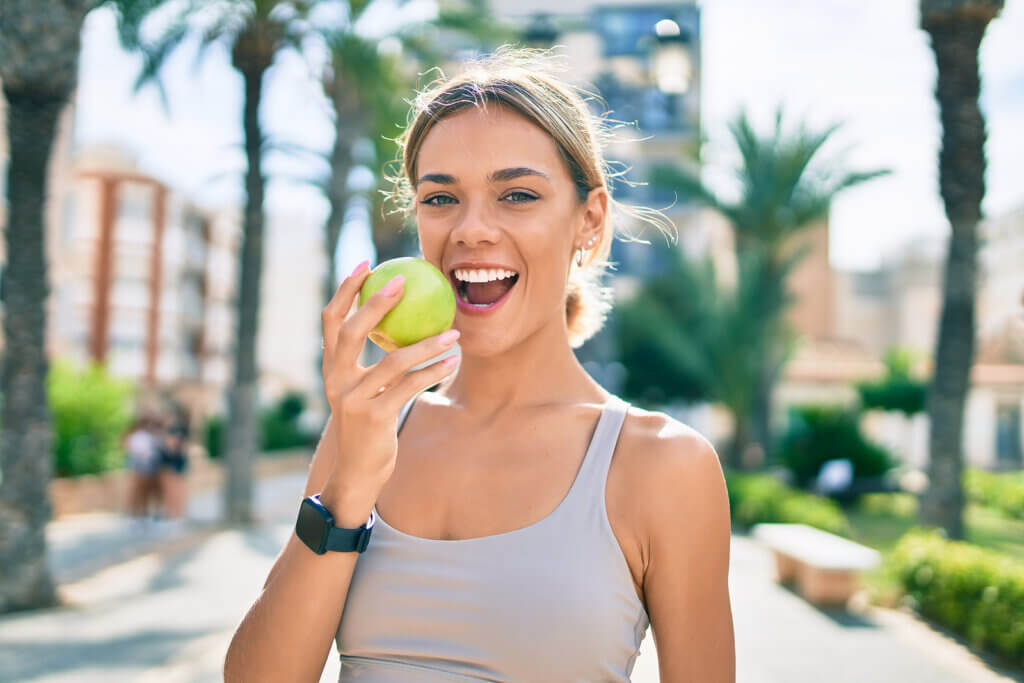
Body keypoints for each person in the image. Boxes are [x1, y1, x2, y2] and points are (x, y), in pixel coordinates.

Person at [225, 48, 735, 682]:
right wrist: (349, 486)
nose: (471, 229)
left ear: (589, 221)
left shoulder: (663, 464)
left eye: (517, 195)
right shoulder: (367, 428)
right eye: (441, 198)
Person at [124, 416, 160, 524]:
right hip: (141, 466)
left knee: (145, 491)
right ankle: (136, 514)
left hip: (147, 466)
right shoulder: (139, 436)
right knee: (138, 491)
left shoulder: (148, 436)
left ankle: (143, 514)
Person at [157, 423, 190, 526]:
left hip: (173, 471)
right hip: (170, 470)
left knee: (174, 493)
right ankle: (172, 514)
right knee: (170, 494)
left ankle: (175, 515)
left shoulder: (175, 444)